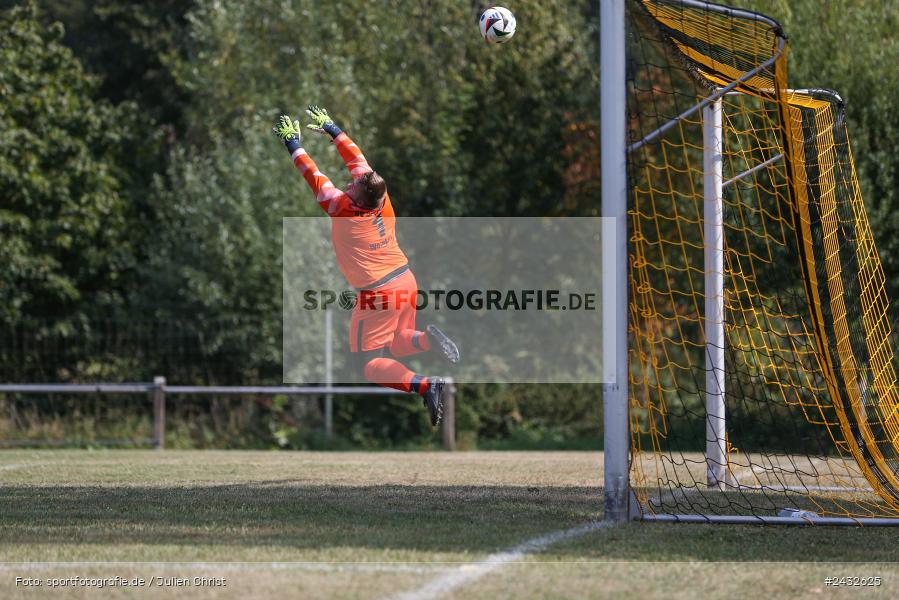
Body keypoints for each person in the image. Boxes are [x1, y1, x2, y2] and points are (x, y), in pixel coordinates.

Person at [273, 107, 459, 426]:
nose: (348, 185)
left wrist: (293, 142)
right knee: (400, 343)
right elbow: (356, 158)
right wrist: (333, 129)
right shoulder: (380, 198)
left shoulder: (343, 209)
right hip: (405, 279)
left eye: (352, 188)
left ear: (358, 200)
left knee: (370, 364)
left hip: (378, 294)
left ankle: (428, 384)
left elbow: (313, 176)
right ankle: (428, 339)